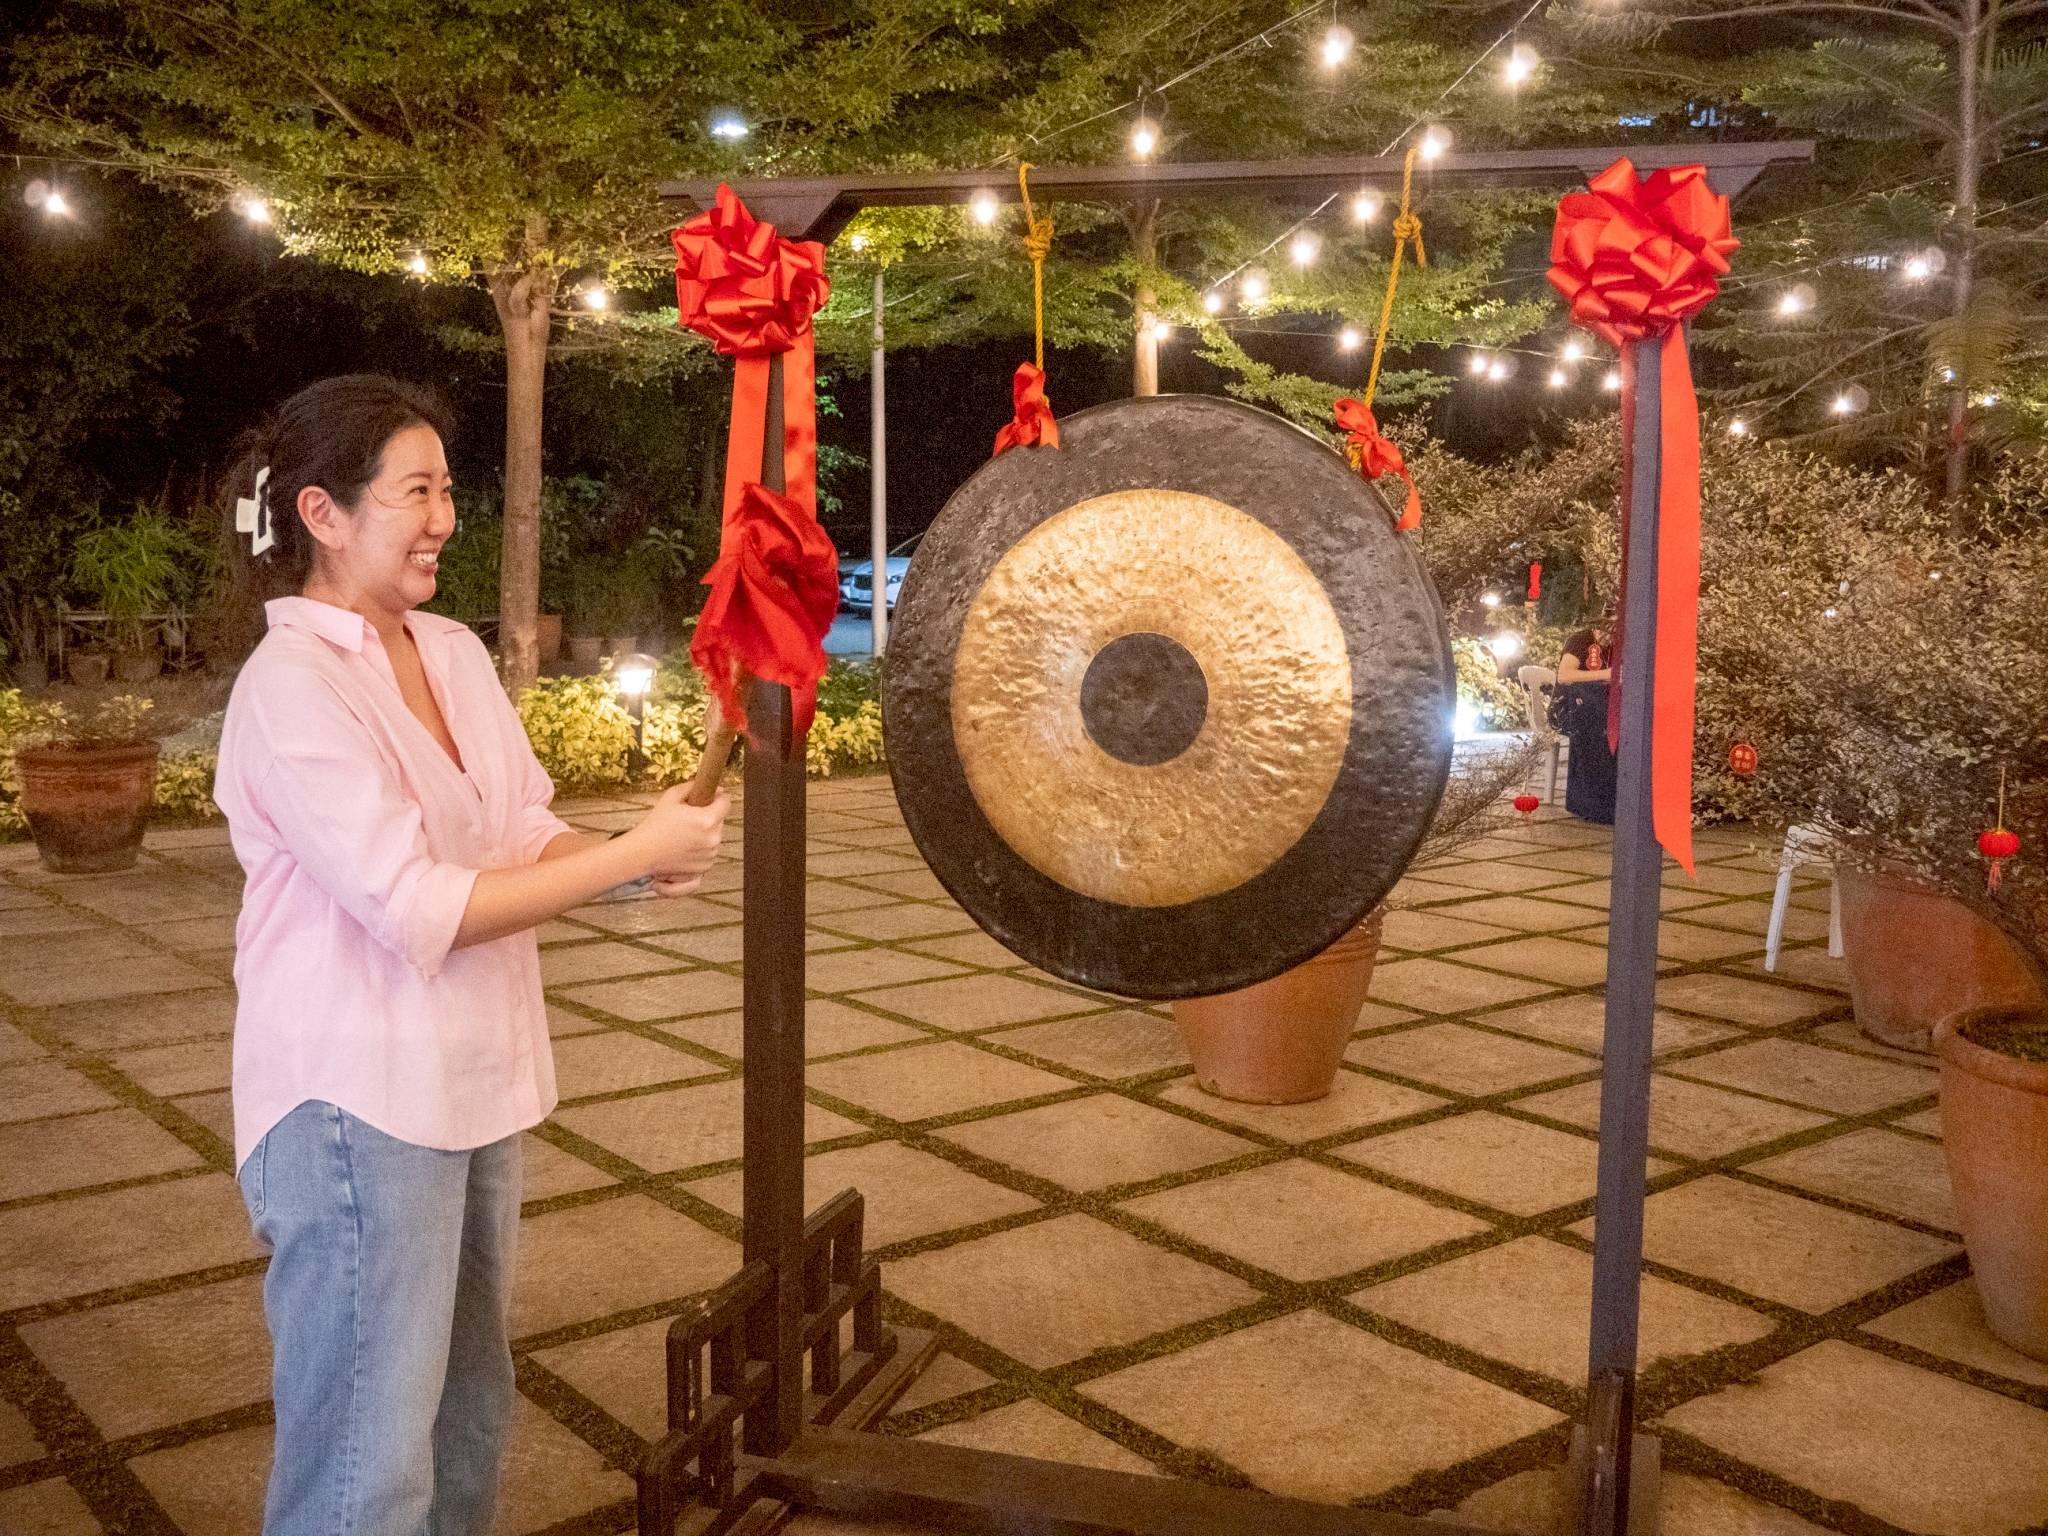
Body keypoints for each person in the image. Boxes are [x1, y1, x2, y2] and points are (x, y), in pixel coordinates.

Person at [212, 375, 728, 1536]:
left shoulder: (444, 649)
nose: (443, 515)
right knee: (366, 1456)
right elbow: (415, 905)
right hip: (354, 1102)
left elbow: (518, 829)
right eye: (414, 491)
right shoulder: (290, 687)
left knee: (463, 1410)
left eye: (447, 488)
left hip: (466, 1084)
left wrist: (632, 858)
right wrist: (624, 857)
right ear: (322, 515)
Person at [1555, 613, 1617, 823]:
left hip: (1599, 709)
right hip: (1569, 710)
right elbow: (1565, 675)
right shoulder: (1580, 640)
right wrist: (1606, 674)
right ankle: (1593, 804)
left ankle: (1608, 802)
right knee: (1594, 730)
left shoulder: (1620, 645)